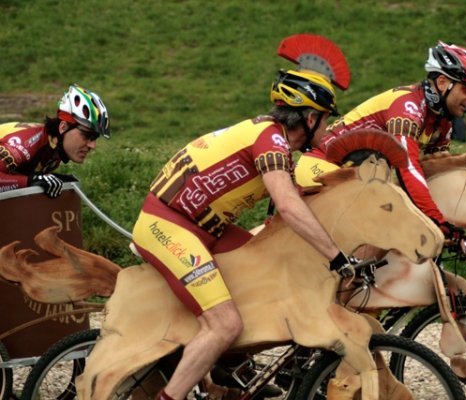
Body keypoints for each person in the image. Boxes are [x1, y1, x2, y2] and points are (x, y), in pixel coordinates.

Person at [130, 68, 356, 400]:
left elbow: (300, 202)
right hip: (167, 224)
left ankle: (229, 365)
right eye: (325, 120)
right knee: (225, 324)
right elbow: (290, 207)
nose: (327, 127)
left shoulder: (273, 138)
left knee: (269, 270)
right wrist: (337, 257)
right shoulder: (270, 140)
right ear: (309, 119)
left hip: (204, 226)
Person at [296, 41, 466, 243]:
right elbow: (408, 167)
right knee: (381, 230)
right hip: (322, 166)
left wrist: (452, 222)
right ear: (442, 83)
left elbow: (434, 177)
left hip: (356, 180)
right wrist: (436, 220)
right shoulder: (407, 107)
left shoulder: (443, 123)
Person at [0, 84, 110, 197]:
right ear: (63, 127)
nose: (93, 145)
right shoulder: (25, 145)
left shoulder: (54, 149)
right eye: (87, 135)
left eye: (95, 138)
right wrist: (28, 181)